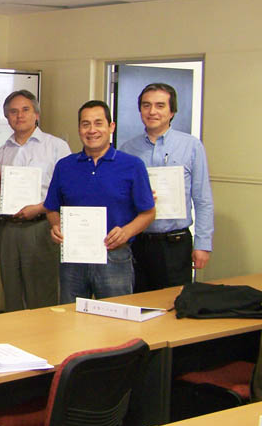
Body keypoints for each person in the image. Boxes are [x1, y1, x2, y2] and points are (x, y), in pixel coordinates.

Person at [44, 100, 155, 303]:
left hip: (114, 255)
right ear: (79, 129)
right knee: (70, 316)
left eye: (98, 123)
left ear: (111, 127)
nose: (92, 130)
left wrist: (126, 232)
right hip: (73, 257)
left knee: (116, 317)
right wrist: (56, 226)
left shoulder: (132, 165)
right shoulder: (64, 166)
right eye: (85, 124)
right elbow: (51, 208)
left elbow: (148, 212)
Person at [119, 83, 214, 291]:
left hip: (175, 243)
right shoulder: (127, 149)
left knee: (174, 303)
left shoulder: (191, 146)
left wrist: (203, 244)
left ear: (172, 112)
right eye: (146, 105)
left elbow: (203, 199)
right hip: (137, 243)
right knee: (137, 302)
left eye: (160, 105)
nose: (152, 111)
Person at [0, 90, 71, 311]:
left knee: (42, 297)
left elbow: (67, 191)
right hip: (8, 229)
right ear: (7, 117)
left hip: (41, 227)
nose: (19, 116)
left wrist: (38, 208)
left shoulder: (56, 147)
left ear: (36, 114)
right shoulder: (2, 152)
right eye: (13, 112)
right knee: (11, 296)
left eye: (25, 110)